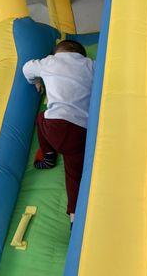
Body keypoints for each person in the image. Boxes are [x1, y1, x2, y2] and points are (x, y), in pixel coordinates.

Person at [23, 40, 94, 229]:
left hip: (56, 127)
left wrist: (37, 80)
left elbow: (27, 68)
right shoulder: (91, 65)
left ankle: (48, 156)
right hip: (82, 130)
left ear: (57, 53)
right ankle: (74, 217)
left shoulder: (49, 62)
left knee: (40, 117)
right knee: (73, 175)